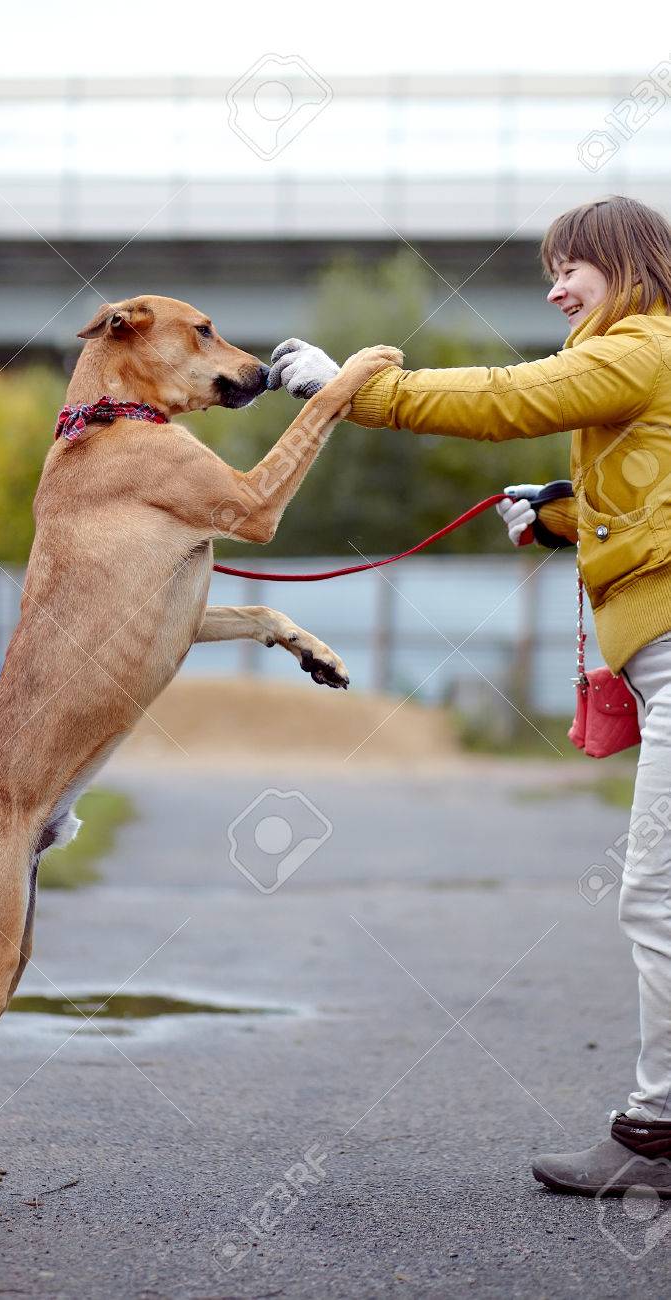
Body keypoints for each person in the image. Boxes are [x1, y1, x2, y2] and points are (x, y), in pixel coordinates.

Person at [268, 194, 671, 1197]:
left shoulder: (640, 344)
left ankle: (655, 1136)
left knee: (654, 897)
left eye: (567, 264)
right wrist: (559, 517)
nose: (552, 285)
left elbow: (505, 396)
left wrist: (350, 388)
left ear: (622, 263)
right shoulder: (643, 358)